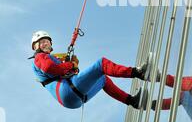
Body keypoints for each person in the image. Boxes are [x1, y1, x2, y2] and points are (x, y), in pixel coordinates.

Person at [30, 30, 158, 110]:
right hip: (68, 91)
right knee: (101, 64)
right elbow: (50, 68)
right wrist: (71, 65)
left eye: (47, 41)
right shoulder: (39, 57)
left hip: (73, 100)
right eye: (41, 42)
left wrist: (70, 66)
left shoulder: (52, 58)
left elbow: (58, 71)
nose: (45, 43)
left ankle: (133, 101)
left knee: (102, 79)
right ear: (35, 47)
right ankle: (138, 72)